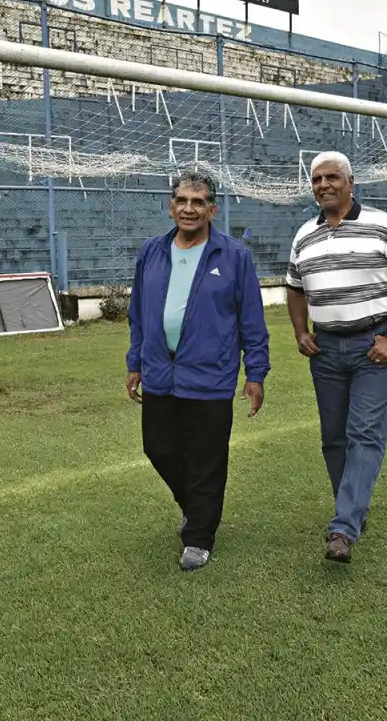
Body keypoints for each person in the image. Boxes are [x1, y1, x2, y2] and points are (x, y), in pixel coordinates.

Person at [285, 151, 387, 564]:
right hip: (325, 350)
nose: (323, 185)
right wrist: (300, 331)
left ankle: (344, 528)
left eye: (332, 177)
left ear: (350, 182)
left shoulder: (382, 225)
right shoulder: (303, 235)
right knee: (333, 438)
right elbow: (294, 288)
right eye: (316, 180)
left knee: (364, 433)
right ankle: (352, 509)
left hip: (373, 348)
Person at [126, 171, 270, 571]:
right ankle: (197, 508)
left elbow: (251, 320)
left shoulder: (233, 255)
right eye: (182, 201)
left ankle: (199, 536)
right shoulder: (151, 252)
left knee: (207, 458)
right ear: (171, 207)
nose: (190, 208)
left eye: (198, 201)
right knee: (158, 448)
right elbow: (137, 314)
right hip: (159, 373)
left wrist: (255, 373)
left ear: (212, 209)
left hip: (211, 375)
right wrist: (134, 362)